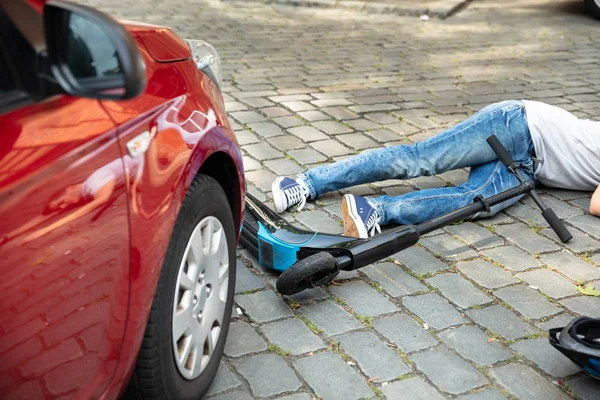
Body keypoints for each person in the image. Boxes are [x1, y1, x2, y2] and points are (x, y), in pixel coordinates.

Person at [271, 100, 600, 238]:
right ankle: (307, 182)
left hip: (529, 167)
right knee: (420, 160)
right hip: (519, 125)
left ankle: (374, 209)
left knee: (479, 201)